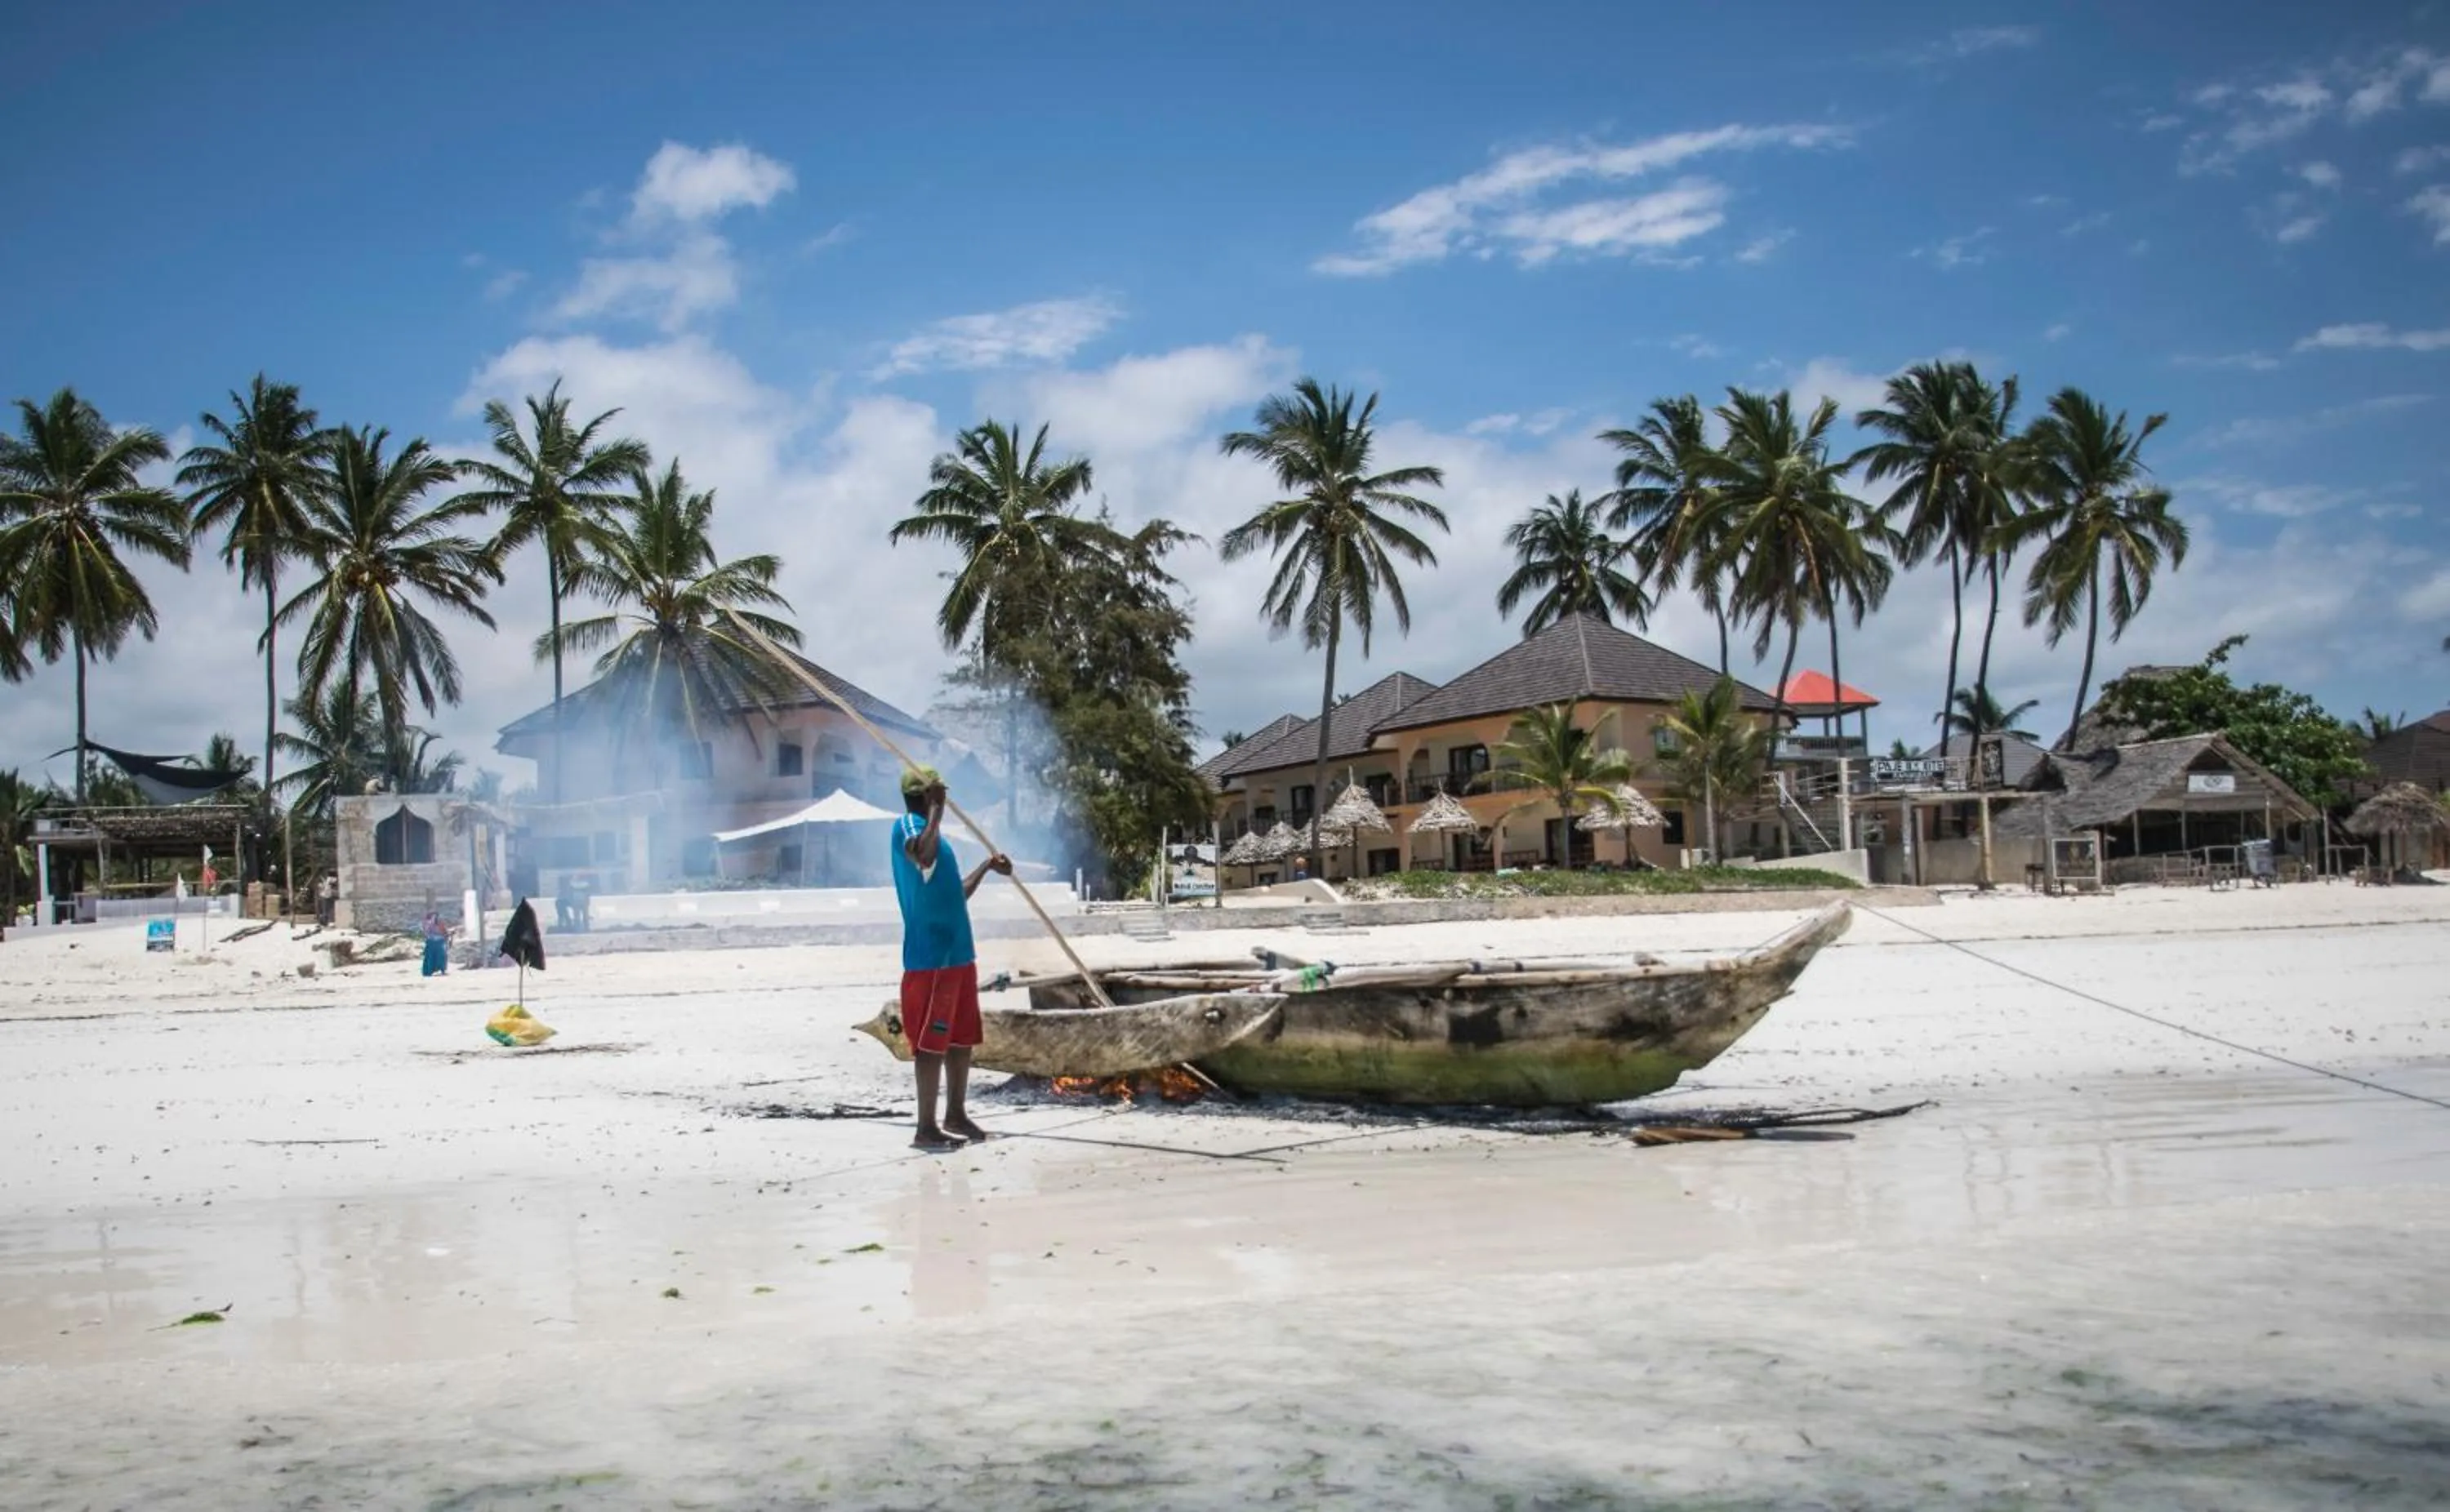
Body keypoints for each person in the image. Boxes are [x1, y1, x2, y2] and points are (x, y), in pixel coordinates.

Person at [891, 765, 1012, 1151]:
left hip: (958, 953)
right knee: (932, 1042)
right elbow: (921, 856)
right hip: (932, 958)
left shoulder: (937, 838)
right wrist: (937, 810)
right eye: (935, 794)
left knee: (961, 1039)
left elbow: (954, 893)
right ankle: (925, 1127)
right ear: (924, 796)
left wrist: (988, 868)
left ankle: (955, 1114)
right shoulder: (909, 827)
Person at [420, 909, 452, 977]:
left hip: (430, 942)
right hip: (438, 942)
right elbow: (444, 931)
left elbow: (424, 932)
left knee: (430, 957)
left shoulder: (425, 923)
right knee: (441, 957)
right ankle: (442, 970)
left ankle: (429, 971)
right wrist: (447, 936)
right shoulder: (438, 922)